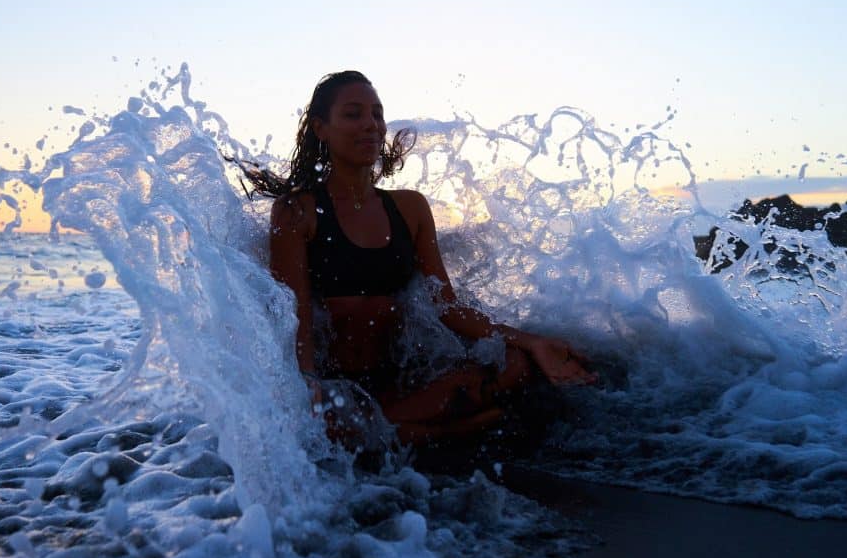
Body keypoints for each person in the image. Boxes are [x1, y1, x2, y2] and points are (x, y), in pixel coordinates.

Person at [236, 71, 595, 448]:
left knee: (515, 365)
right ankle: (434, 434)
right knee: (326, 422)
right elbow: (293, 316)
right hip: (340, 389)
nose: (371, 126)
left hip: (401, 382)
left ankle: (396, 433)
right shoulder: (297, 211)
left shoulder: (410, 208)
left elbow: (446, 306)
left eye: (377, 114)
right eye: (354, 114)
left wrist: (532, 341)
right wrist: (306, 384)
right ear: (321, 128)